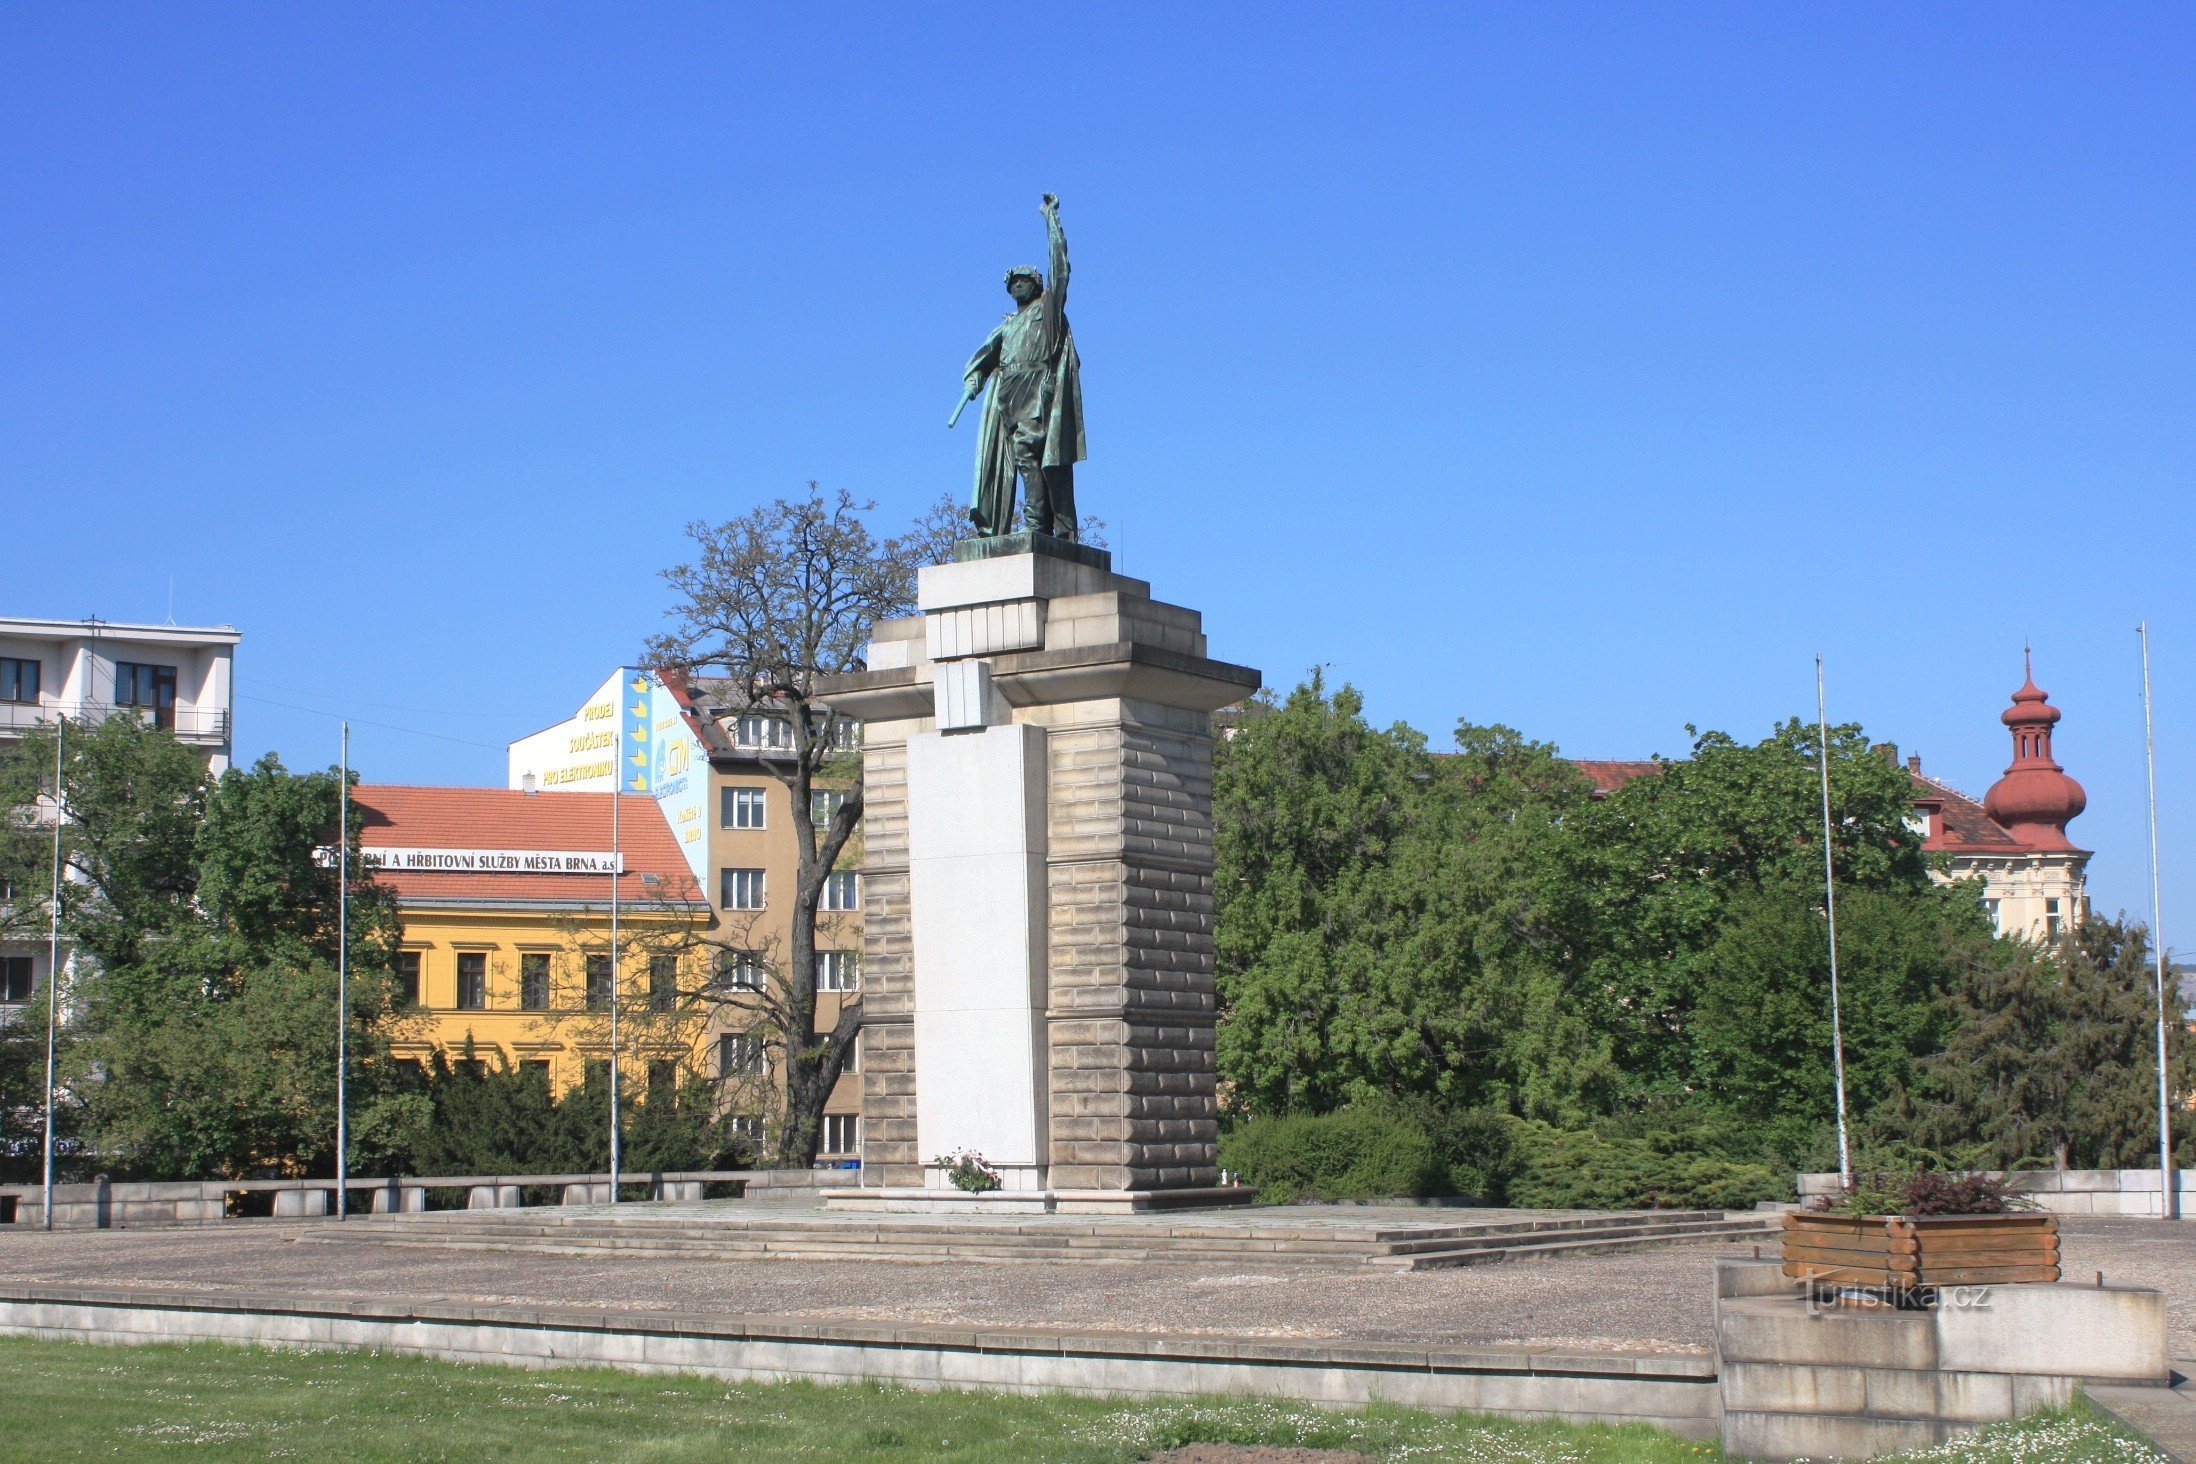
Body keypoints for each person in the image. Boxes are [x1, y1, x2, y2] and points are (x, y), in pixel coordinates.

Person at [955, 194, 1086, 539]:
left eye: (1024, 280)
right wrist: (975, 379)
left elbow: (1060, 268)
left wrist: (1051, 221)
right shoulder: (1007, 326)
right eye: (1012, 283)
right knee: (1024, 459)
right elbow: (984, 359)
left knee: (1036, 453)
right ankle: (1038, 524)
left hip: (1040, 391)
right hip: (1009, 398)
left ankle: (1038, 524)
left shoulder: (1048, 311)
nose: (1017, 286)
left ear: (1037, 284)